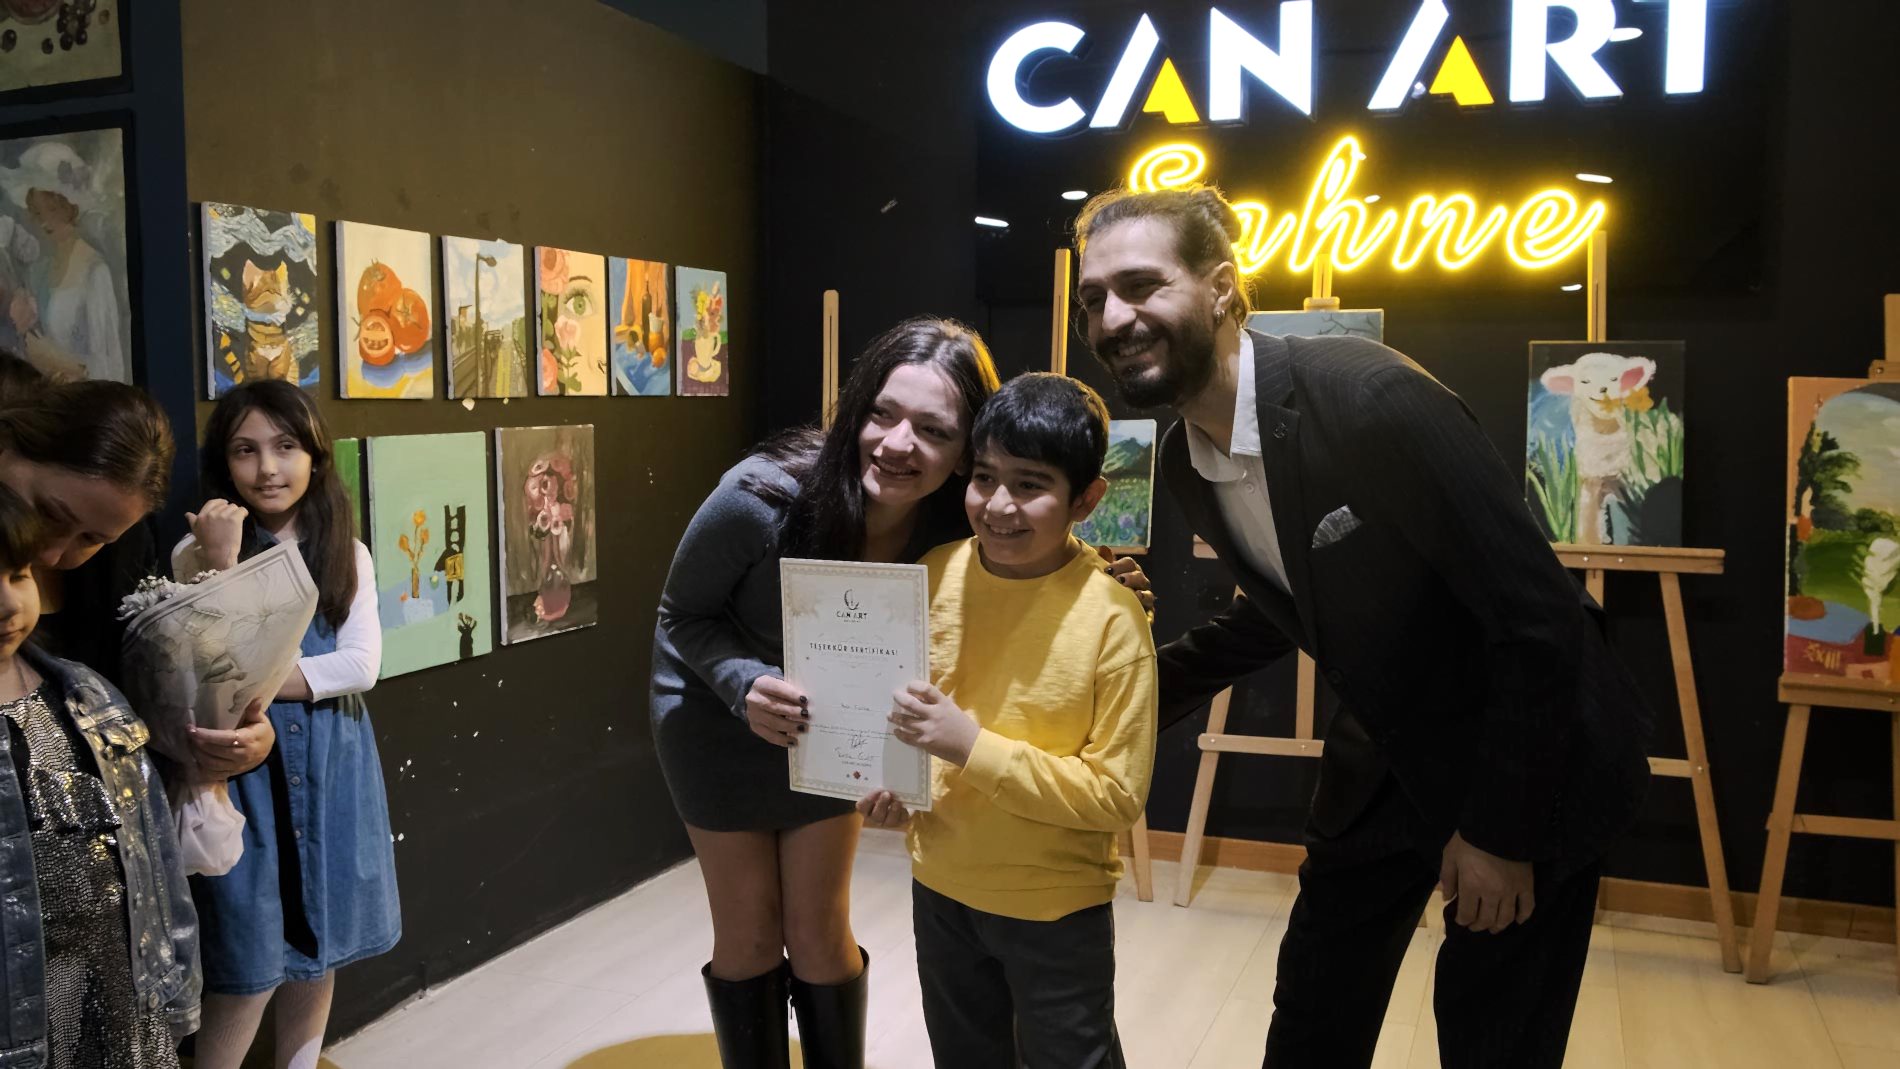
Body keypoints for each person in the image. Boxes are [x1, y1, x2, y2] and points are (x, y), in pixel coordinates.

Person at [1071, 186, 1651, 1068]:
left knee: (1492, 1036)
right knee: (1313, 1017)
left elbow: (1537, 619)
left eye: (1143, 285)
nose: (1114, 317)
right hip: (1385, 756)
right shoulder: (1188, 458)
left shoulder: (1372, 398)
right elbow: (1282, 612)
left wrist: (1502, 835)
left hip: (1529, 757)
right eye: (1094, 298)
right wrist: (1107, 704)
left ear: (1222, 288)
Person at [653, 316, 1002, 1069]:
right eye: (883, 413)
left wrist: (1108, 579)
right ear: (855, 410)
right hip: (714, 718)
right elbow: (681, 614)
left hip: (833, 728)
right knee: (749, 934)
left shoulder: (957, 533)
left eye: (933, 430)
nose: (898, 444)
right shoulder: (761, 496)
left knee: (818, 932)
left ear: (967, 451)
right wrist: (744, 684)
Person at [858, 372, 1156, 1069]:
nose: (998, 505)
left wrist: (972, 746)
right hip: (940, 888)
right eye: (985, 476)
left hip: (1057, 909)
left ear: (1087, 499)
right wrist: (892, 786)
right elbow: (903, 721)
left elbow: (1116, 795)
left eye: (1030, 484)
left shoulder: (1114, 618)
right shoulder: (931, 574)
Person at [180, 380, 399, 1069]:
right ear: (223, 462)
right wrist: (220, 563)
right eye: (245, 450)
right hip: (244, 773)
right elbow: (203, 667)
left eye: (285, 447)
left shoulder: (344, 551)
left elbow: (359, 665)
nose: (268, 468)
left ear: (315, 456)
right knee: (246, 964)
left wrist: (257, 673)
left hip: (332, 761)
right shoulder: (197, 552)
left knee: (318, 948)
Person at [0, 479, 200, 1066]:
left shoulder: (87, 695)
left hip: (119, 993)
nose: (9, 605)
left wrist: (177, 985)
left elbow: (154, 850)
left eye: (18, 575)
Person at [0, 370, 274, 776]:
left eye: (92, 539)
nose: (53, 554)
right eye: (49, 513)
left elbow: (143, 710)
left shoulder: (121, 560)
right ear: (9, 446)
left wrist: (241, 742)